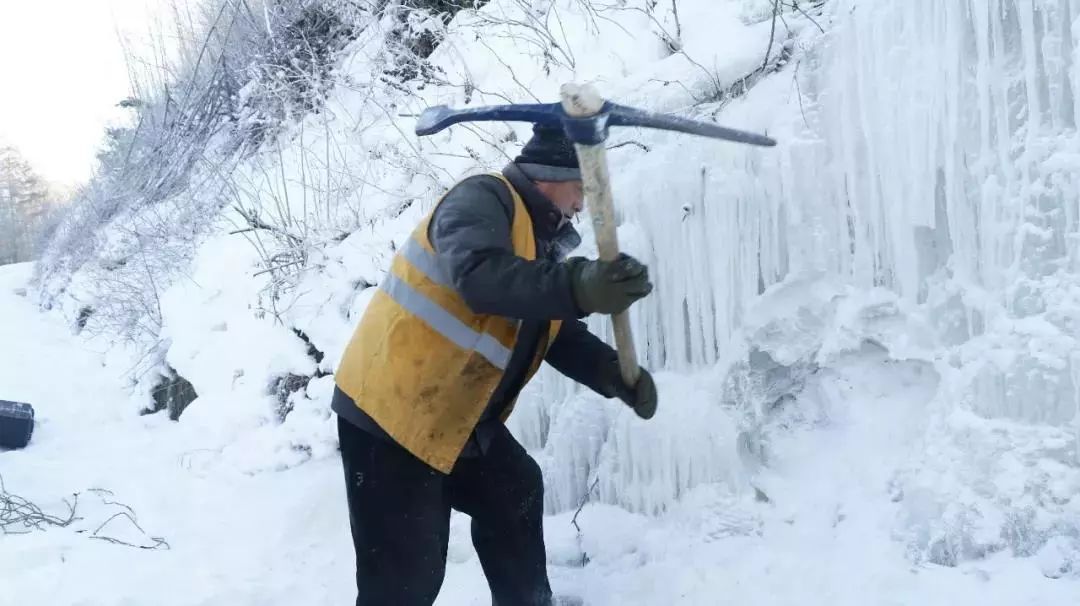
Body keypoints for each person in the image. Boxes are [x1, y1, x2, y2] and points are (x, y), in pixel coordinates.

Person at [332, 123, 658, 606]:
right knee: (404, 580)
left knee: (514, 492)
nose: (583, 205)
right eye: (583, 189)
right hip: (391, 420)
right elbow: (481, 278)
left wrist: (614, 373)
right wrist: (578, 287)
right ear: (553, 174)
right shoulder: (484, 198)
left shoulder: (540, 246)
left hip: (454, 419)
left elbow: (554, 332)